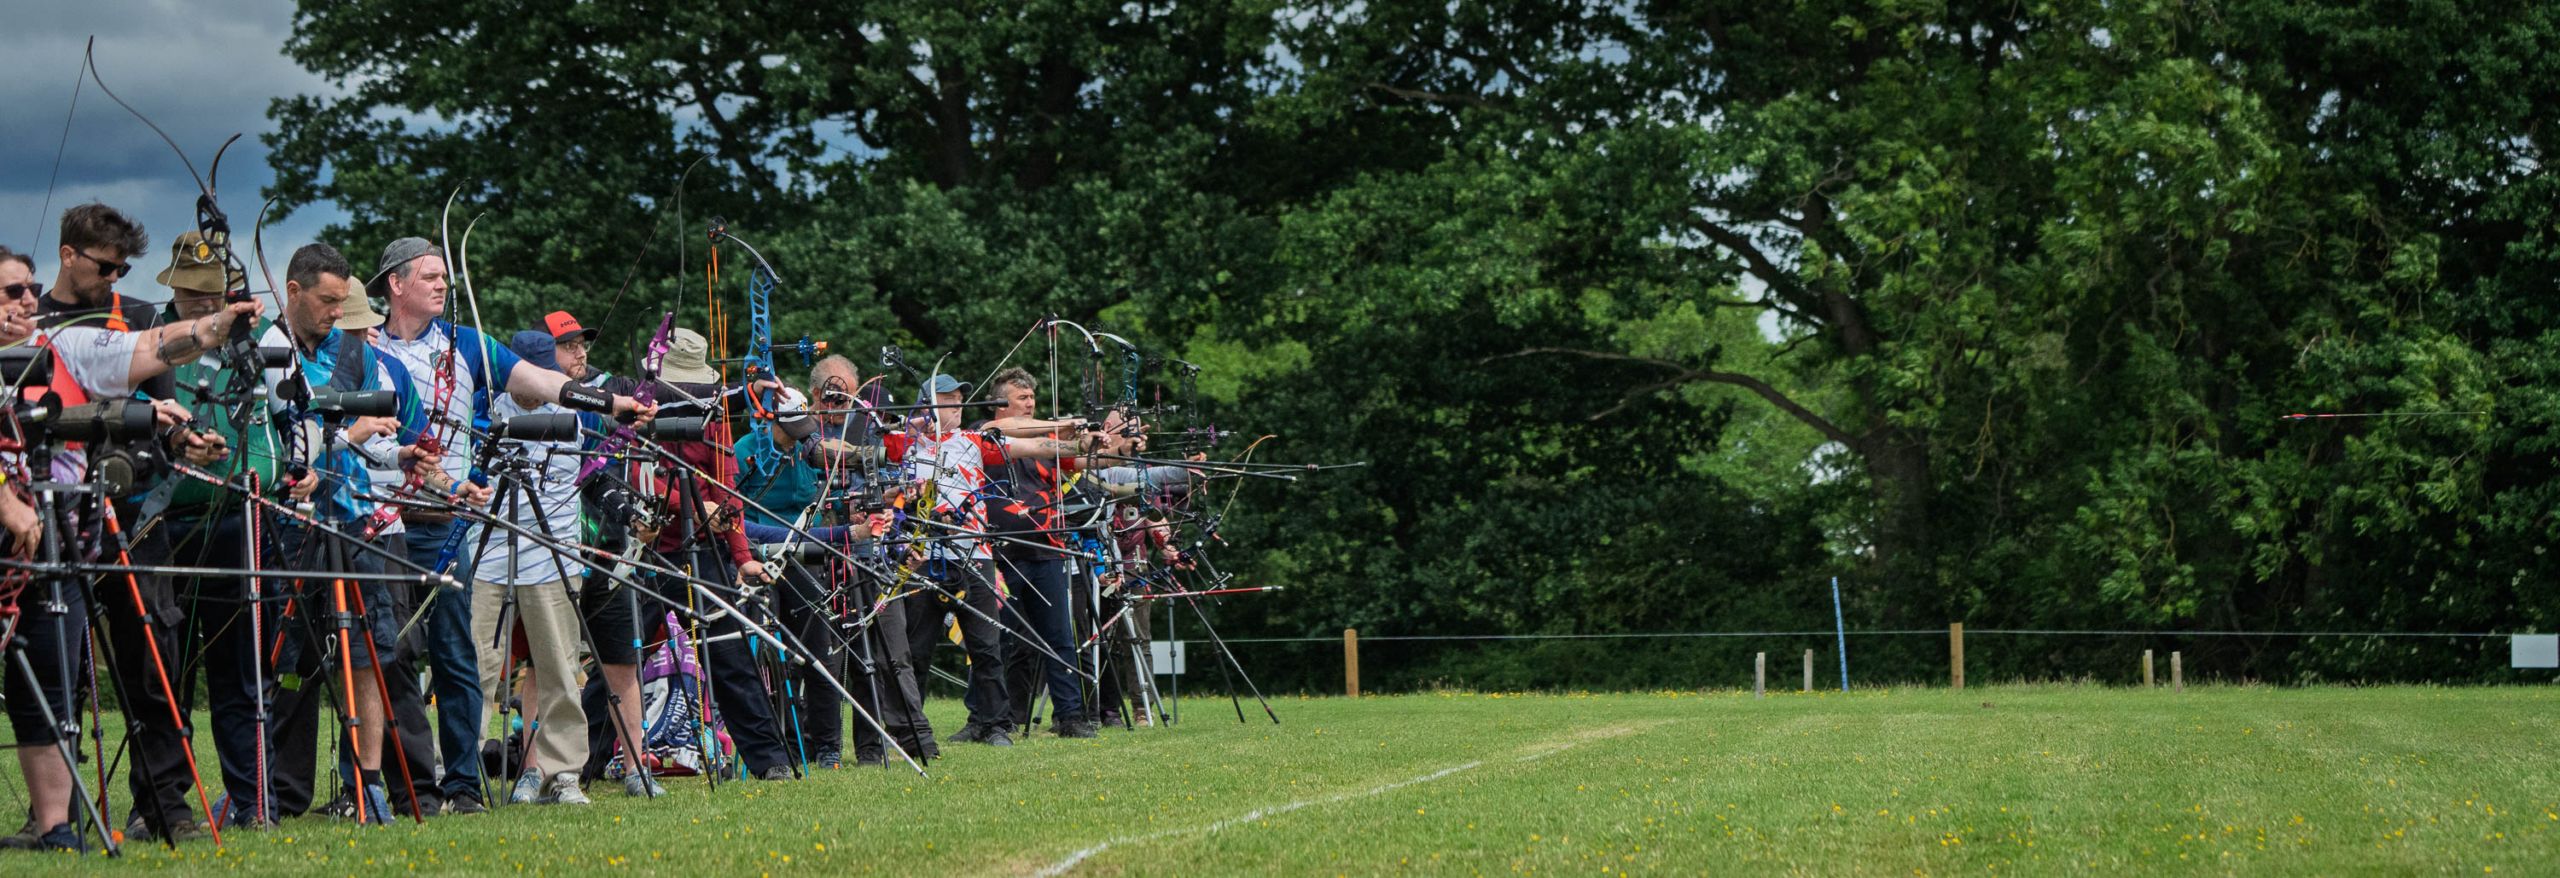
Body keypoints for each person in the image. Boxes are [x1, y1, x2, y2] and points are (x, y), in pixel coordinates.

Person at [368, 238, 652, 813]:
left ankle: (536, 775)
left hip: (461, 518)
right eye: (429, 276)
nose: (443, 285)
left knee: (531, 657)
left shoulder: (467, 343)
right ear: (395, 285)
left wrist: (601, 402)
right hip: (396, 518)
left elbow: (538, 380)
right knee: (427, 657)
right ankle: (432, 771)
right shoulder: (363, 345)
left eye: (445, 276)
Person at [0, 223, 260, 850]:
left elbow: (144, 351)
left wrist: (214, 327)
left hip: (67, 534)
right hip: (24, 530)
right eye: (10, 292)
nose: (25, 301)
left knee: (58, 673)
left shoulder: (62, 343)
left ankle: (61, 825)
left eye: (28, 290)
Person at [885, 373, 1098, 749]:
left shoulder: (973, 440)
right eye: (948, 400)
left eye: (958, 400)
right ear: (927, 407)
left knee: (986, 645)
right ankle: (909, 730)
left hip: (974, 555)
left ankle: (997, 725)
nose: (957, 407)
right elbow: (877, 478)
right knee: (916, 650)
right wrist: (902, 490)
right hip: (921, 557)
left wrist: (1075, 440)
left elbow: (1026, 442)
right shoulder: (904, 445)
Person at [474, 330, 606, 806]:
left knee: (558, 667)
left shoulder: (575, 412)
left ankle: (562, 772)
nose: (535, 384)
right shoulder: (482, 407)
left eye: (543, 373)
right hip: (487, 551)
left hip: (552, 554)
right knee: (478, 666)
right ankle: (463, 772)